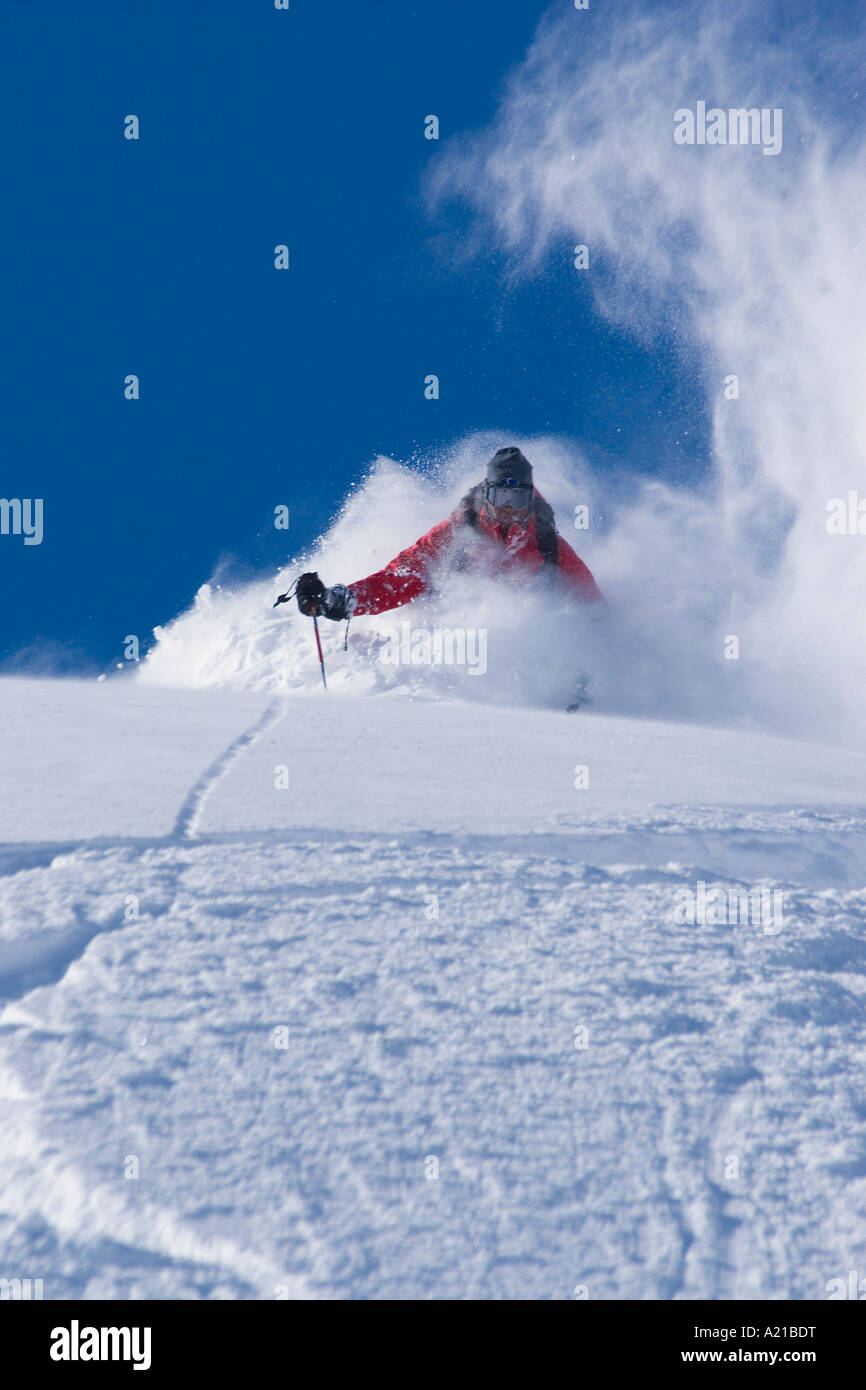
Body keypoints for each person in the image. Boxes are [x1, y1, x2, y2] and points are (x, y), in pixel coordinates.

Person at [292, 446, 602, 621]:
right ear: (486, 495)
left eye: (517, 500)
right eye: (500, 499)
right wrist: (341, 600)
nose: (508, 510)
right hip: (451, 630)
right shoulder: (460, 532)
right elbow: (404, 576)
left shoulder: (549, 546)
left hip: (525, 649)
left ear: (531, 501)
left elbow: (592, 605)